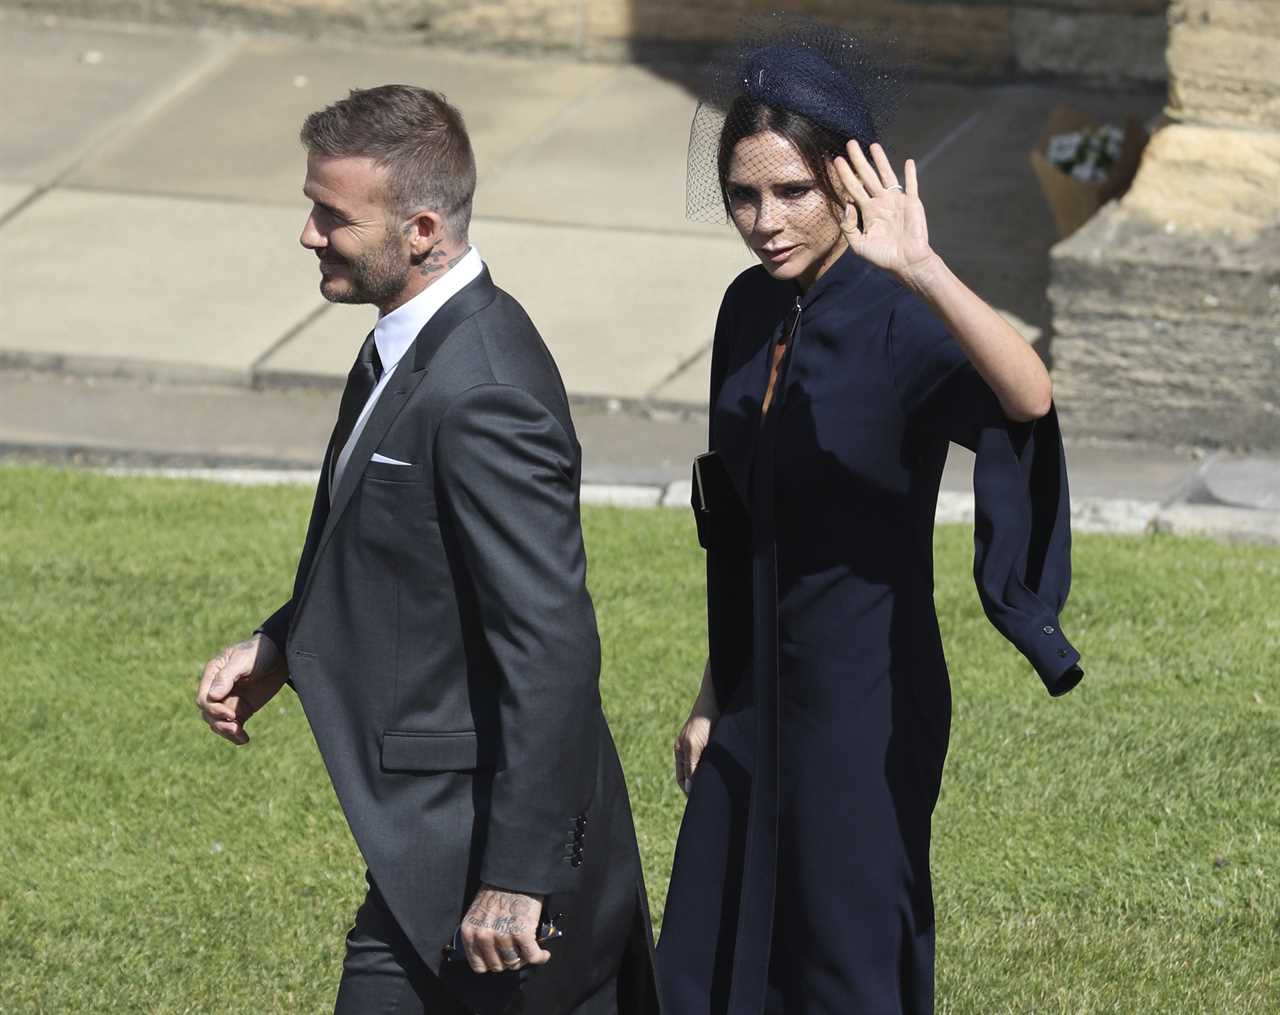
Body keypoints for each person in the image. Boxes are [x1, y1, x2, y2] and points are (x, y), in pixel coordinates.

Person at [194, 84, 658, 1015]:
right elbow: (394, 554)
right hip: (433, 853)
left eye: (333, 215)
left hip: (488, 862)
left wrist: (520, 876)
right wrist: (282, 642)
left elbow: (551, 644)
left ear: (421, 228)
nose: (310, 234)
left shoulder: (483, 390)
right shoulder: (405, 346)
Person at [658, 19, 1084, 1015]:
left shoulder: (899, 317)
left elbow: (1026, 397)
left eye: (791, 192)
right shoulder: (745, 309)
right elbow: (738, 527)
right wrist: (712, 694)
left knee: (847, 959)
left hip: (864, 695)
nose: (765, 220)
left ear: (845, 182)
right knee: (712, 955)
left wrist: (923, 267)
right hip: (756, 685)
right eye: (743, 195)